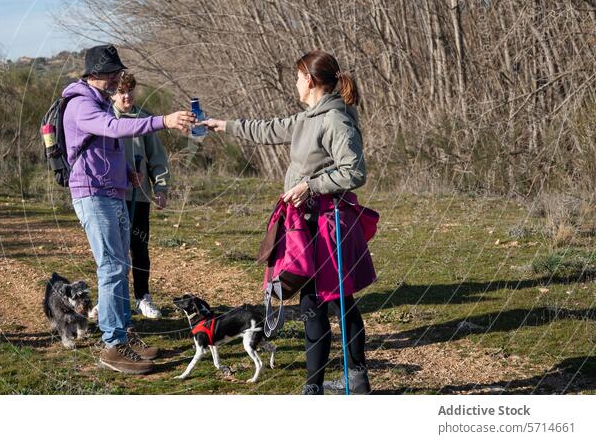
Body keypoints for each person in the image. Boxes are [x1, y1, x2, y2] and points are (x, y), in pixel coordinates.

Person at [201, 50, 374, 394]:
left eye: (297, 77)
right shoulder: (309, 117)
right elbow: (269, 129)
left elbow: (355, 171)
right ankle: (350, 381)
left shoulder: (335, 120)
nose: (295, 83)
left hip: (327, 227)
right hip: (305, 225)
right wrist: (225, 125)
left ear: (309, 81)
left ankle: (324, 387)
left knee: (324, 302)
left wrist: (310, 185)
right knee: (329, 302)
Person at [63, 44, 194, 375]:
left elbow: (108, 147)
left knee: (119, 266)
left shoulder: (100, 102)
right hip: (93, 195)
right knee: (110, 268)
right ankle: (111, 344)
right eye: (112, 74)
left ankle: (123, 334)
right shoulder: (80, 105)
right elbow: (116, 128)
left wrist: (126, 175)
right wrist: (163, 120)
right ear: (95, 74)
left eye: (118, 73)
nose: (116, 79)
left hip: (113, 192)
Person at [111, 72, 169, 320]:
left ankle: (142, 297)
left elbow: (157, 157)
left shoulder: (144, 119)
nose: (126, 96)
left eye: (130, 91)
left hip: (140, 196)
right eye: (121, 91)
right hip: (111, 195)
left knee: (139, 247)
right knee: (114, 250)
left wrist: (161, 187)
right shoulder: (103, 118)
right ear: (112, 93)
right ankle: (113, 299)